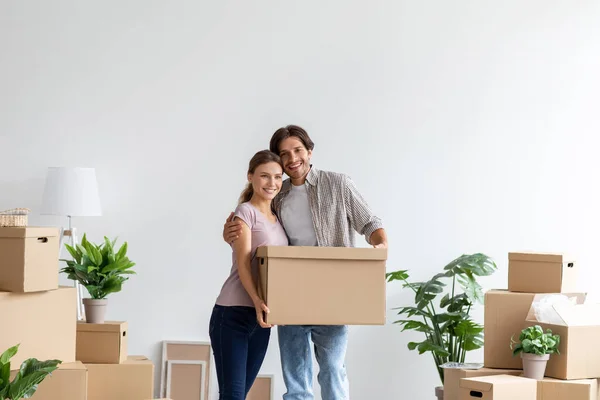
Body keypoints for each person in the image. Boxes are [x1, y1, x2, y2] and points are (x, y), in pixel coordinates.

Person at [222, 125, 388, 400]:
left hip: (333, 295)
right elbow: (257, 225)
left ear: (310, 152)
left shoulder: (339, 184)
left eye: (298, 150)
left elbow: (370, 222)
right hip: (289, 296)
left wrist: (380, 245)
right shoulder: (278, 194)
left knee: (333, 370)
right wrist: (230, 233)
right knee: (297, 380)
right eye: (284, 154)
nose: (292, 158)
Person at [210, 149, 289, 400]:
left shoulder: (278, 217)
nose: (272, 183)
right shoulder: (245, 212)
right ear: (250, 176)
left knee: (238, 395)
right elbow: (243, 263)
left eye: (277, 177)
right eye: (265, 176)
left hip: (261, 319)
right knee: (233, 396)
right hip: (232, 314)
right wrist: (257, 302)